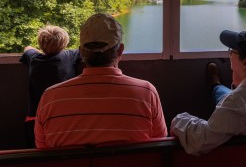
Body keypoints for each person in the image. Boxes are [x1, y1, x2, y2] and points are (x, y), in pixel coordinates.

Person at [34, 13, 167, 148]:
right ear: (120, 50)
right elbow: (160, 143)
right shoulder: (146, 93)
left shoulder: (50, 98)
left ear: (81, 52)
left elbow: (42, 149)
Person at [171, 30, 246, 155]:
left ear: (245, 63)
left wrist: (178, 120)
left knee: (223, 95)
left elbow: (201, 140)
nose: (229, 55)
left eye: (231, 52)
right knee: (224, 94)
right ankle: (216, 85)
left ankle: (215, 85)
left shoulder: (235, 103)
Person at [20, 25, 80, 148]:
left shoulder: (34, 59)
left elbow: (28, 48)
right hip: (62, 120)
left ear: (41, 43)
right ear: (65, 43)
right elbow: (83, 49)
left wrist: (41, 51)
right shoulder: (68, 56)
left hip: (34, 120)